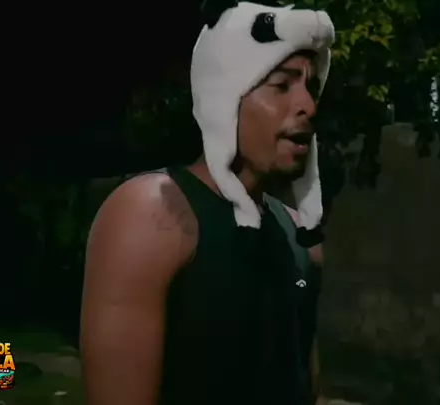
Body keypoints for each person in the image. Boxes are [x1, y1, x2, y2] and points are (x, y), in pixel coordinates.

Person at [79, 2, 335, 405]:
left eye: (311, 88)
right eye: (282, 86)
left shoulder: (300, 240)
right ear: (223, 98)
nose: (309, 106)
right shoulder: (150, 213)